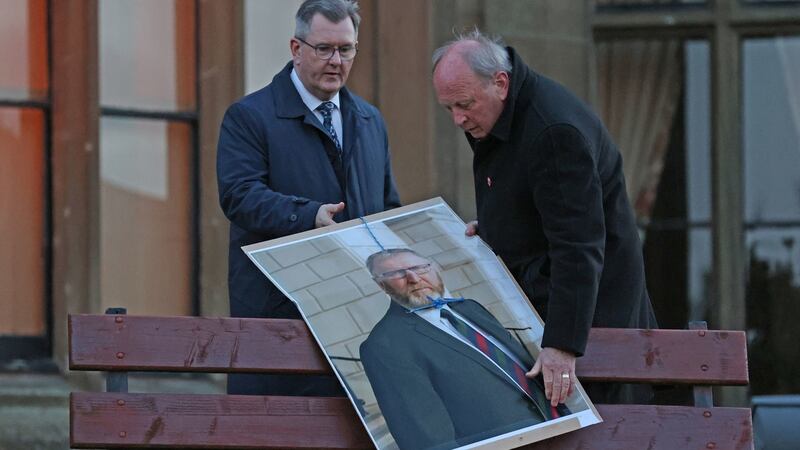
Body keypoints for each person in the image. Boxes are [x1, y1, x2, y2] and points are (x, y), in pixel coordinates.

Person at [431, 30, 657, 406]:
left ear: (500, 83)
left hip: (591, 329)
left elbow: (578, 246)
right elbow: (538, 200)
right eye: (449, 108)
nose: (457, 119)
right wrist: (495, 227)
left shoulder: (554, 132)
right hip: (550, 313)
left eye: (464, 104)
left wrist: (561, 346)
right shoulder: (504, 112)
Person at [216, 0, 400, 396]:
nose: (336, 60)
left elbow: (387, 207)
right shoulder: (248, 117)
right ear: (296, 49)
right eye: (324, 49)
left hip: (361, 325)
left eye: (346, 49)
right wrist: (309, 215)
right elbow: (239, 196)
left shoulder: (370, 120)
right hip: (281, 324)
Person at [360, 248, 568, 450]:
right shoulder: (384, 344)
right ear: (381, 285)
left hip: (561, 425)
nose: (414, 278)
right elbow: (425, 436)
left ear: (435, 268)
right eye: (397, 274)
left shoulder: (469, 307)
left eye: (420, 268)